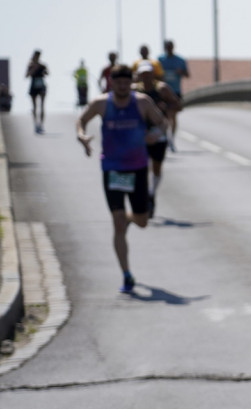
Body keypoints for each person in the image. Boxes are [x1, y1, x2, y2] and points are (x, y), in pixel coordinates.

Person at [76, 64, 167, 294]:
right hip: (113, 170)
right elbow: (81, 121)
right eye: (118, 83)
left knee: (143, 222)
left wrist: (153, 135)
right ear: (112, 83)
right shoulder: (101, 103)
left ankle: (129, 217)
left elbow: (162, 123)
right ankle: (126, 275)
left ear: (131, 82)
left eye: (127, 82)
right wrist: (82, 137)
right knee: (116, 223)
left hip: (137, 169)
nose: (123, 86)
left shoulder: (143, 102)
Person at [134, 61, 180, 218]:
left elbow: (178, 105)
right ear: (139, 75)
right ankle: (146, 195)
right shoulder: (134, 91)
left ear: (153, 74)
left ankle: (152, 193)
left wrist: (166, 107)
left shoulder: (162, 89)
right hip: (139, 135)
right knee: (141, 167)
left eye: (148, 73)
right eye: (143, 74)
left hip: (158, 134)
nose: (146, 77)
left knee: (157, 167)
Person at [157, 39, 190, 150]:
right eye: (167, 47)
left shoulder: (180, 60)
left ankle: (172, 139)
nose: (169, 49)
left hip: (175, 92)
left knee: (173, 116)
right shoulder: (160, 60)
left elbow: (187, 74)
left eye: (171, 46)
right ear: (165, 48)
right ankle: (165, 137)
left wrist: (181, 72)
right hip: (162, 92)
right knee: (164, 117)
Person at [25, 50, 48, 133]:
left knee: (42, 105)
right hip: (33, 86)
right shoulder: (30, 65)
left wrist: (43, 70)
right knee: (34, 106)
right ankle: (35, 124)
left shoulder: (42, 65)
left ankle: (41, 125)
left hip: (41, 85)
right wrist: (34, 69)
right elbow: (26, 76)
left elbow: (47, 73)